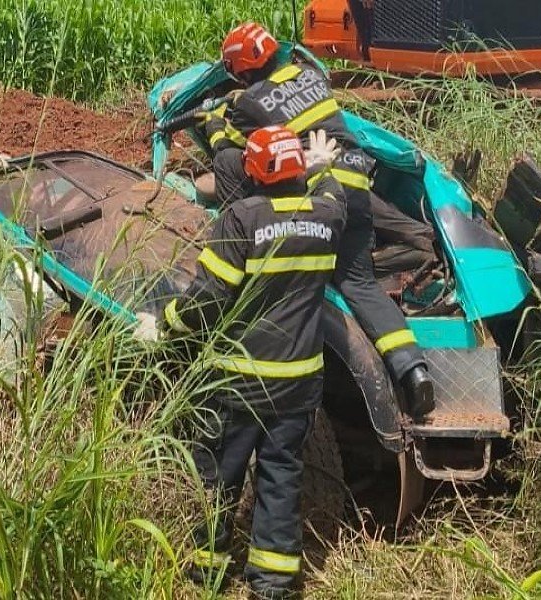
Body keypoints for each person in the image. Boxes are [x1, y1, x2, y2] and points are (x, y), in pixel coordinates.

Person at [200, 22, 434, 417]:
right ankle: (412, 369)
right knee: (360, 283)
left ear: (241, 71)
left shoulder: (248, 104)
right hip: (357, 187)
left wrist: (215, 123)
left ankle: (237, 238)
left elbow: (244, 158)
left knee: (225, 159)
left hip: (319, 189)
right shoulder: (311, 75)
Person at [155, 125, 346, 599]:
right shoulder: (326, 217)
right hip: (299, 382)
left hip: (239, 380)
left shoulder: (242, 219)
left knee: (218, 475)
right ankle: (273, 583)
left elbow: (207, 301)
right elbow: (334, 194)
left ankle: (208, 569)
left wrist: (165, 322)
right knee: (282, 477)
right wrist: (322, 169)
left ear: (254, 170)